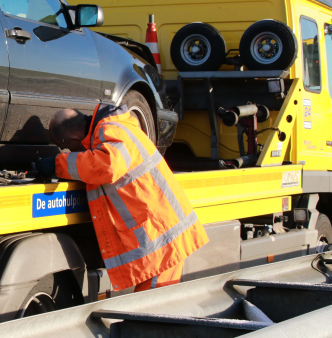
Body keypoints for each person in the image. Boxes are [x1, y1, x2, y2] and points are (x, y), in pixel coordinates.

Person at [36, 104, 208, 292]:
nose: (68, 152)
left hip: (160, 239)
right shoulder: (116, 128)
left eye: (66, 148)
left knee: (149, 307)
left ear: (74, 139)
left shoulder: (109, 131)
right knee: (150, 305)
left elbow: (109, 165)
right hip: (161, 234)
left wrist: (58, 163)